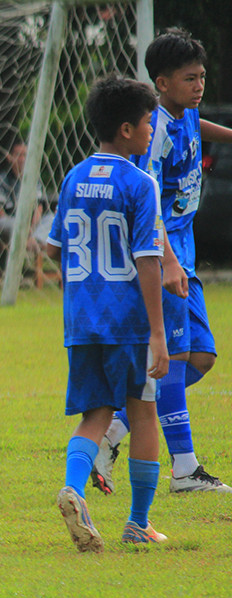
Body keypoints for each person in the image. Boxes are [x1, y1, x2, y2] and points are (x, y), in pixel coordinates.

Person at [92, 28, 232, 495]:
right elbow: (149, 204)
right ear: (162, 83)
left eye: (202, 77)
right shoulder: (153, 133)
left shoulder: (185, 111)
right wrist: (169, 262)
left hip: (184, 248)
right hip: (164, 250)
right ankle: (186, 469)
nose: (199, 86)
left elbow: (198, 126)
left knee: (202, 356)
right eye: (190, 79)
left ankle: (114, 428)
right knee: (173, 357)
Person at [47, 76, 170, 552]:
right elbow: (147, 259)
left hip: (82, 319)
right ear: (126, 129)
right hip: (128, 321)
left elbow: (55, 248)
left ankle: (73, 489)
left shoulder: (73, 177)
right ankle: (138, 523)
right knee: (143, 413)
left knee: (96, 412)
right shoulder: (140, 183)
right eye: (147, 122)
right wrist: (157, 332)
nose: (151, 129)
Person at [0, 138, 51, 252]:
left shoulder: (34, 179)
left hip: (31, 224)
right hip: (9, 221)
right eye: (18, 155)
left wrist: (31, 228)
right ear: (10, 157)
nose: (22, 159)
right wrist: (23, 225)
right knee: (12, 223)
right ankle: (33, 243)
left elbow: (39, 208)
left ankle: (32, 242)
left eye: (24, 155)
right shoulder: (1, 180)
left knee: (52, 219)